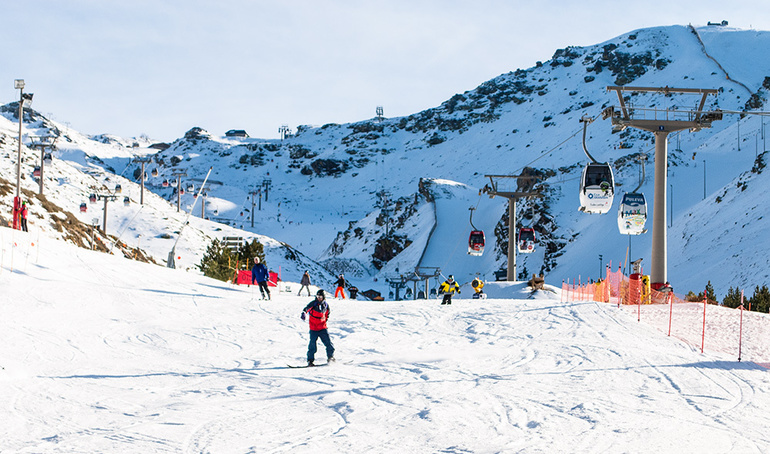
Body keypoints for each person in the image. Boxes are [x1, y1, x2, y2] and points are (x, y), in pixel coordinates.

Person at [300, 289, 335, 366]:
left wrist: (324, 322)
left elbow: (327, 314)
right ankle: (310, 361)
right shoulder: (313, 303)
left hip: (322, 328)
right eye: (318, 296)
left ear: (323, 297)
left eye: (320, 297)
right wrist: (304, 313)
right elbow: (306, 308)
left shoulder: (325, 305)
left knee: (329, 344)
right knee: (312, 345)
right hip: (313, 328)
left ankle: (330, 358)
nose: (319, 298)